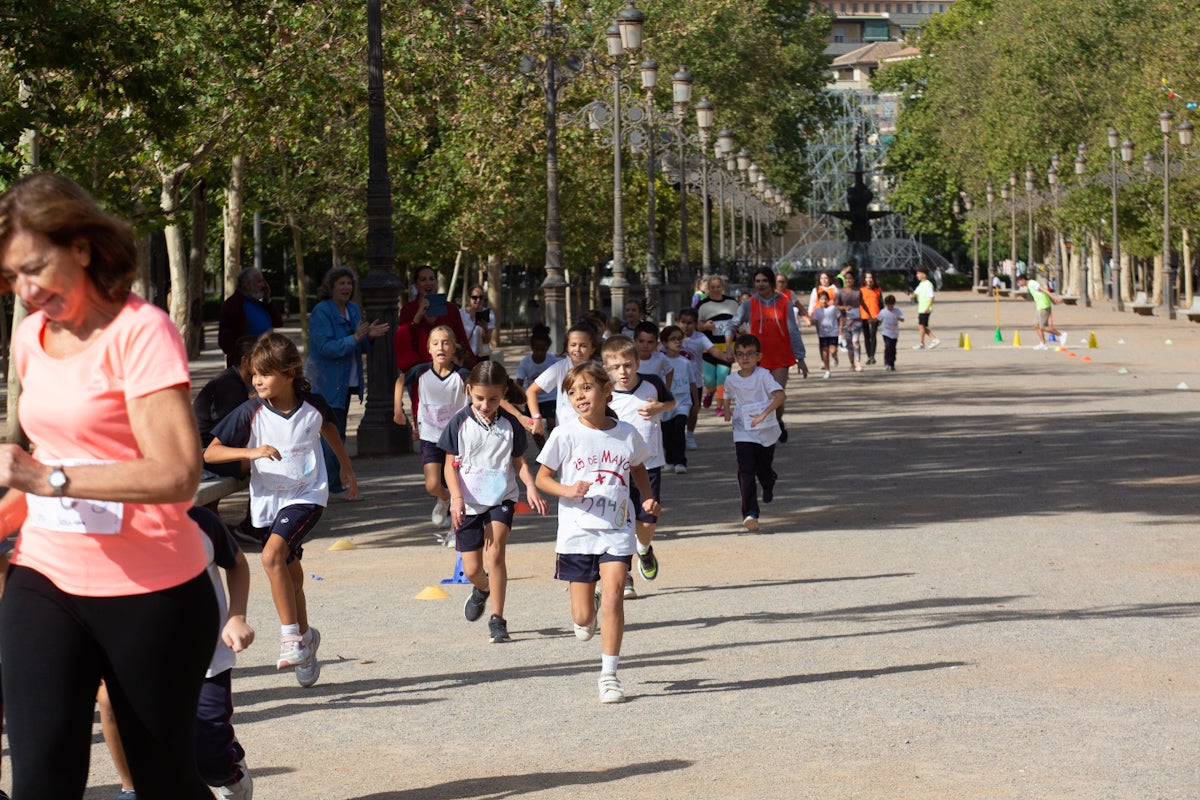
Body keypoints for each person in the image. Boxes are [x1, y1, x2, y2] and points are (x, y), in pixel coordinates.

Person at [0, 172, 218, 799]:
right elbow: (49, 456)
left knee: (162, 781)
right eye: (12, 277)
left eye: (35, 268)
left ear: (83, 247)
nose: (25, 289)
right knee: (40, 778)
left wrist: (47, 476)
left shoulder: (140, 330)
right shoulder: (27, 338)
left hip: (151, 592)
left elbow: (179, 473)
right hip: (46, 575)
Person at [205, 332, 359, 689]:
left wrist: (346, 467)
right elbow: (210, 453)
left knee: (272, 557)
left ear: (290, 373)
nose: (257, 381)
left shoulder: (313, 406)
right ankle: (306, 640)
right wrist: (249, 453)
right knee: (291, 577)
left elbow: (331, 429)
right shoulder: (249, 411)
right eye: (255, 374)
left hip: (307, 496)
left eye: (266, 374)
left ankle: (290, 637)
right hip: (268, 505)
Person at [98, 506, 256, 800]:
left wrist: (237, 616)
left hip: (208, 660)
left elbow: (236, 564)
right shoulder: (109, 529)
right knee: (155, 741)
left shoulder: (201, 522)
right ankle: (133, 788)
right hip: (145, 662)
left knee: (210, 756)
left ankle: (230, 771)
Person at [535, 362, 657, 704]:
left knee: (616, 597)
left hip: (617, 529)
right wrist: (568, 490)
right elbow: (543, 477)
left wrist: (647, 499)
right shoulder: (565, 434)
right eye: (572, 392)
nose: (579, 397)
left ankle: (609, 675)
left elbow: (638, 467)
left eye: (586, 388)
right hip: (577, 532)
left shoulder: (626, 433)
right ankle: (590, 605)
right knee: (582, 618)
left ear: (606, 391)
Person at [439, 362, 547, 644]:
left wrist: (531, 486)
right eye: (480, 398)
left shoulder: (510, 424)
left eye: (493, 399)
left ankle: (497, 619)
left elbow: (519, 462)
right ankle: (482, 589)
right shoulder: (459, 423)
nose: (486, 404)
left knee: (496, 551)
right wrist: (456, 498)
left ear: (503, 395)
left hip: (502, 497)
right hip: (469, 502)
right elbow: (450, 466)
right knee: (473, 569)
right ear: (469, 391)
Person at [601, 335, 674, 599]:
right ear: (606, 368)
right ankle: (626, 576)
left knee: (648, 518)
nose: (623, 371)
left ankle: (644, 549)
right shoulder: (605, 395)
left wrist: (659, 408)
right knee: (620, 521)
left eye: (628, 365)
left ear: (637, 362)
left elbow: (672, 403)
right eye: (616, 367)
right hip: (618, 470)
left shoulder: (652, 384)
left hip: (650, 464)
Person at [305, 266, 388, 492]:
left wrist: (367, 336)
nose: (346, 288)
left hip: (346, 383)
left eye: (349, 284)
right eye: (341, 283)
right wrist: (355, 337)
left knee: (338, 432)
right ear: (330, 286)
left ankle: (334, 482)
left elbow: (358, 344)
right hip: (324, 382)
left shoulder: (352, 309)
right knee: (330, 434)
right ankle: (332, 485)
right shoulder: (322, 311)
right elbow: (324, 348)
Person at [394, 326, 469, 533]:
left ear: (454, 348)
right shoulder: (421, 372)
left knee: (458, 488)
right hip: (430, 436)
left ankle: (457, 531)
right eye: (435, 343)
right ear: (428, 348)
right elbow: (400, 380)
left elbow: (481, 391)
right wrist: (398, 410)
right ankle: (443, 499)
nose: (441, 347)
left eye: (446, 343)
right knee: (432, 485)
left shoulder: (462, 375)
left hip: (456, 439)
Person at [729, 267, 807, 441]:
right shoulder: (749, 303)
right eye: (757, 281)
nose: (761, 284)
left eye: (764, 280)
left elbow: (792, 330)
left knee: (776, 395)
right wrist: (727, 337)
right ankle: (763, 429)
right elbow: (734, 323)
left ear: (771, 282)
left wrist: (800, 357)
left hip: (780, 357)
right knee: (760, 397)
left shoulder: (784, 302)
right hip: (758, 359)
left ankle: (777, 421)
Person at [723, 334, 785, 531]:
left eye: (749, 354)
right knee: (745, 470)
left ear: (758, 356)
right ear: (735, 357)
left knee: (763, 468)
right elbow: (727, 393)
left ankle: (769, 482)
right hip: (743, 430)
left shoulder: (764, 375)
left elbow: (780, 396)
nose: (745, 358)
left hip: (765, 429)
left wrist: (764, 414)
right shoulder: (731, 379)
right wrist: (726, 409)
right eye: (740, 354)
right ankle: (750, 513)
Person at [525, 320, 600, 441]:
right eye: (573, 344)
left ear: (593, 348)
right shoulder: (560, 368)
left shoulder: (599, 370)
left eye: (584, 345)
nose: (578, 349)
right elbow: (531, 391)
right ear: (566, 346)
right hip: (566, 434)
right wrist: (536, 417)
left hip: (594, 432)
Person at [196, 335, 255, 480]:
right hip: (202, 456)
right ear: (245, 361)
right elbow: (230, 436)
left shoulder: (232, 381)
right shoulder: (231, 388)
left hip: (206, 452)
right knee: (259, 461)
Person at [395, 265, 475, 372]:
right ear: (416, 285)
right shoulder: (408, 310)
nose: (428, 283)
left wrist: (472, 366)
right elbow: (404, 341)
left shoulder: (450, 308)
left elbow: (461, 338)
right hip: (420, 369)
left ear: (436, 283)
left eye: (432, 279)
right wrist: (418, 316)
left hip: (448, 369)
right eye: (423, 280)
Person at [675, 307, 731, 449]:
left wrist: (724, 357)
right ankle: (676, 438)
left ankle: (690, 435)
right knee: (675, 412)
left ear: (695, 324)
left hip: (695, 382)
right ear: (677, 322)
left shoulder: (699, 338)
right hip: (675, 383)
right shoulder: (673, 337)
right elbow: (660, 350)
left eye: (689, 323)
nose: (686, 326)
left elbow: (713, 350)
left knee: (694, 410)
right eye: (683, 322)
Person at [695, 275, 740, 417]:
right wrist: (704, 326)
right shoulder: (702, 305)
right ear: (708, 289)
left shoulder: (732, 303)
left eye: (718, 287)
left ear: (723, 287)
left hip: (727, 347)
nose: (715, 290)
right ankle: (709, 392)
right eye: (712, 287)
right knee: (709, 380)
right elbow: (694, 325)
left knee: (723, 378)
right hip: (708, 347)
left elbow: (740, 322)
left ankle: (719, 406)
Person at [218, 267, 282, 367]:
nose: (263, 285)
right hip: (246, 364)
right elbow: (225, 341)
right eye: (259, 281)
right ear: (246, 284)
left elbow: (278, 322)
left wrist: (268, 300)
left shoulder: (261, 302)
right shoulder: (232, 305)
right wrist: (256, 342)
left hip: (266, 359)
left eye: (263, 281)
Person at [658, 325, 697, 474]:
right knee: (667, 432)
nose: (677, 342)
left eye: (679, 339)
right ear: (664, 342)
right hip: (667, 403)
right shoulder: (661, 361)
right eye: (672, 339)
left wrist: (695, 403)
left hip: (683, 402)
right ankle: (669, 459)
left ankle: (681, 461)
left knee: (679, 428)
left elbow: (693, 383)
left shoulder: (686, 362)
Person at [514, 324, 559, 446]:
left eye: (543, 350)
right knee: (535, 427)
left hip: (551, 397)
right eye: (537, 349)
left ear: (547, 348)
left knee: (552, 423)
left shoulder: (553, 360)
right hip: (533, 398)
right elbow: (519, 382)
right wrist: (518, 399)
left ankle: (554, 447)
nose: (539, 353)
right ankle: (543, 451)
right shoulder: (526, 362)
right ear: (532, 347)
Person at [1017, 274, 1066, 350]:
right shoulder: (1029, 285)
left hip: (1044, 306)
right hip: (1039, 306)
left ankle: (1061, 335)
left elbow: (1043, 289)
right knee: (1035, 325)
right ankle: (1043, 343)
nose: (1018, 284)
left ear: (1023, 280)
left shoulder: (1032, 283)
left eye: (1019, 282)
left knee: (1043, 326)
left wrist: (1053, 297)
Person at [835, 271, 865, 372]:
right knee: (849, 344)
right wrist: (844, 307)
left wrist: (869, 315)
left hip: (857, 320)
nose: (848, 280)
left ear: (854, 280)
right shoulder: (840, 292)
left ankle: (858, 362)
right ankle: (852, 363)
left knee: (855, 341)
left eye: (850, 278)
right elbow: (835, 305)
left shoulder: (858, 291)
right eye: (846, 279)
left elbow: (862, 303)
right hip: (845, 321)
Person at [810, 291, 842, 379]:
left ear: (828, 299)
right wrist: (810, 321)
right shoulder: (817, 311)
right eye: (821, 299)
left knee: (832, 350)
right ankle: (827, 370)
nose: (823, 301)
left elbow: (840, 317)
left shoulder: (833, 308)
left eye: (825, 299)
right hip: (822, 334)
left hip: (833, 333)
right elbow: (814, 321)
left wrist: (840, 328)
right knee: (825, 352)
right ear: (819, 300)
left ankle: (835, 356)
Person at [460, 284, 495, 362]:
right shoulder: (460, 314)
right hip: (465, 355)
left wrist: (485, 328)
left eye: (481, 297)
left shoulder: (489, 314)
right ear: (469, 298)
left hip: (481, 355)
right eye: (474, 297)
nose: (478, 300)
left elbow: (487, 340)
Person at [633, 319, 673, 387]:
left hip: (655, 396)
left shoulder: (660, 358)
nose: (645, 346)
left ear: (656, 344)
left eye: (650, 342)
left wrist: (667, 389)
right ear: (634, 341)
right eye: (641, 341)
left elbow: (670, 370)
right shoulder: (629, 359)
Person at [910, 266, 940, 349]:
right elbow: (915, 293)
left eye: (918, 273)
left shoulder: (927, 284)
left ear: (924, 274)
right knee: (921, 326)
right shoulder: (921, 284)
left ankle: (925, 342)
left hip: (925, 309)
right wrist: (911, 295)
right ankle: (929, 340)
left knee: (921, 326)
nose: (917, 275)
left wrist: (928, 307)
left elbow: (932, 297)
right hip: (921, 309)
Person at [860, 271, 883, 365]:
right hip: (864, 315)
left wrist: (882, 316)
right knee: (866, 336)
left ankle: (872, 356)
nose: (869, 280)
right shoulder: (861, 290)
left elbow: (881, 304)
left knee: (873, 336)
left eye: (870, 278)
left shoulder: (878, 290)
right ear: (864, 279)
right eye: (867, 278)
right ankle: (869, 356)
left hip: (875, 315)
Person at [877, 294, 905, 371]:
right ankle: (886, 363)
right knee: (888, 347)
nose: (889, 307)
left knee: (893, 349)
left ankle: (892, 363)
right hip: (886, 332)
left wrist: (898, 318)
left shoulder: (897, 311)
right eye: (888, 305)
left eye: (891, 305)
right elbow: (878, 319)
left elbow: (903, 319)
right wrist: (877, 323)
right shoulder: (883, 311)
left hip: (894, 333)